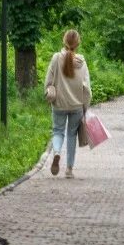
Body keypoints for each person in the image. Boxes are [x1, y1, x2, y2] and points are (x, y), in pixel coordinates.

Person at [44, 29, 91, 178]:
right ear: (78, 44)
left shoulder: (56, 58)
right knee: (71, 135)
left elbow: (48, 82)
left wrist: (48, 92)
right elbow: (87, 88)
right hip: (76, 105)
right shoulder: (82, 62)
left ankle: (57, 152)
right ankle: (69, 170)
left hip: (59, 104)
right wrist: (86, 107)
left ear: (64, 41)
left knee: (58, 131)